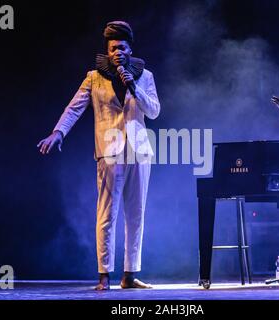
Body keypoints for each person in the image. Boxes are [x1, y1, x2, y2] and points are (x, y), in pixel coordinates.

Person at [37, 21, 160, 290]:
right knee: (107, 214)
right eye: (113, 48)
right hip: (109, 151)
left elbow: (154, 111)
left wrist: (134, 88)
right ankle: (104, 275)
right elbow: (74, 108)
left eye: (123, 47)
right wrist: (58, 132)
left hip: (139, 152)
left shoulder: (144, 76)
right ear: (107, 51)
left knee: (136, 215)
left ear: (130, 50)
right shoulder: (94, 77)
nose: (118, 52)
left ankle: (129, 275)